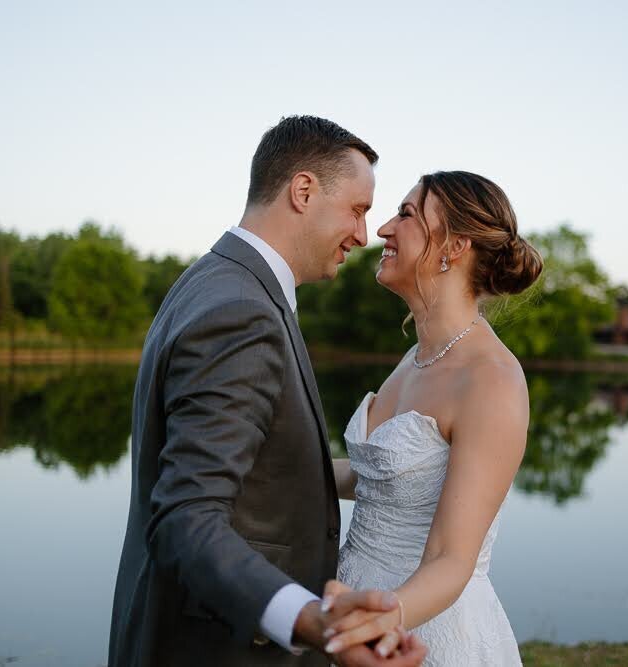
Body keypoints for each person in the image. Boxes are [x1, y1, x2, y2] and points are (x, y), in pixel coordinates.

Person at [108, 115, 427, 667]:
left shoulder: (215, 279)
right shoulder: (242, 312)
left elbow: (261, 473)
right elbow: (187, 516)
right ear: (303, 191)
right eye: (357, 209)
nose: (362, 233)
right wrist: (308, 620)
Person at [325, 171, 543, 665]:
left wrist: (382, 617)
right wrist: (275, 473)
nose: (382, 229)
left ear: (455, 245)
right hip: (354, 605)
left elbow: (452, 559)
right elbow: (377, 481)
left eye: (406, 215)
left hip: (425, 631)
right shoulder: (417, 356)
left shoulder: (491, 379)